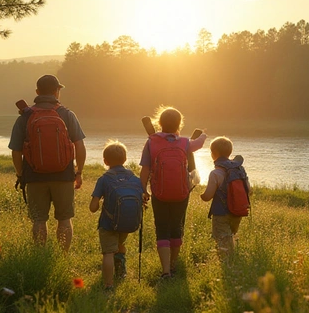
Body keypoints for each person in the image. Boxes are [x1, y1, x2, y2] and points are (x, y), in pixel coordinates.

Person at [9, 75, 86, 251]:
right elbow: (79, 146)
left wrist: (21, 174)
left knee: (38, 220)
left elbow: (16, 150)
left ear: (37, 92)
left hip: (35, 176)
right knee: (64, 219)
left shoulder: (25, 116)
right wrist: (79, 172)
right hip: (64, 175)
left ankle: (40, 256)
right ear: (57, 92)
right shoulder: (67, 114)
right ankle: (63, 257)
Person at [139, 106, 206, 278]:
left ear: (159, 123)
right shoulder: (184, 142)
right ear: (179, 124)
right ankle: (174, 265)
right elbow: (198, 144)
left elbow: (145, 169)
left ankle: (166, 270)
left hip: (159, 193)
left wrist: (142, 190)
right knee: (177, 227)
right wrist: (204, 135)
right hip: (181, 193)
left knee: (162, 228)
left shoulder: (151, 142)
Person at [90, 141, 143, 289]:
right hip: (127, 222)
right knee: (120, 245)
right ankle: (121, 272)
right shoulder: (135, 179)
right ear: (125, 160)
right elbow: (144, 197)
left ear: (105, 161)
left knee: (108, 252)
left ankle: (108, 284)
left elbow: (93, 207)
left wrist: (98, 203)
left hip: (108, 223)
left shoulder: (104, 179)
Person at [200, 136, 250, 258]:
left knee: (222, 241)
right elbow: (249, 190)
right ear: (230, 152)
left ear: (214, 153)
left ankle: (227, 265)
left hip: (221, 213)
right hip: (238, 212)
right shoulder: (240, 169)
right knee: (230, 236)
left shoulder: (215, 173)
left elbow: (208, 196)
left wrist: (201, 195)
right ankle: (233, 260)